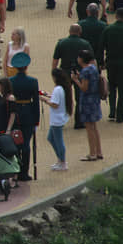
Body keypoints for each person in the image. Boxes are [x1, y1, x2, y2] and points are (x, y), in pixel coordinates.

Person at [51, 24, 92, 129]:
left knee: (64, 97)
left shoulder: (61, 43)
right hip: (80, 74)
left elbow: (55, 61)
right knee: (80, 97)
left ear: (69, 31)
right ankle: (79, 122)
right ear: (80, 32)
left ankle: (61, 120)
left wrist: (54, 74)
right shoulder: (85, 44)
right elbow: (92, 61)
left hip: (64, 73)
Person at [8, 52, 40, 180]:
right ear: (26, 67)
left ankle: (16, 169)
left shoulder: (10, 81)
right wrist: (36, 119)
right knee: (26, 143)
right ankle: (24, 173)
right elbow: (36, 102)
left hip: (15, 114)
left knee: (15, 142)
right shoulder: (33, 81)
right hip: (28, 113)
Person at [70, 50, 103, 161]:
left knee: (89, 128)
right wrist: (80, 77)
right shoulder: (93, 68)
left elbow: (84, 88)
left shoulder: (85, 71)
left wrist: (75, 80)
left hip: (87, 101)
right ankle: (99, 151)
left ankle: (92, 153)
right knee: (95, 127)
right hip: (95, 99)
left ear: (81, 59)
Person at [39, 68, 72, 171]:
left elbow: (55, 104)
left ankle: (62, 161)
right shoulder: (62, 88)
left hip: (56, 119)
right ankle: (60, 159)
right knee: (51, 138)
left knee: (58, 140)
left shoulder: (58, 89)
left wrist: (45, 100)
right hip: (58, 118)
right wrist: (47, 95)